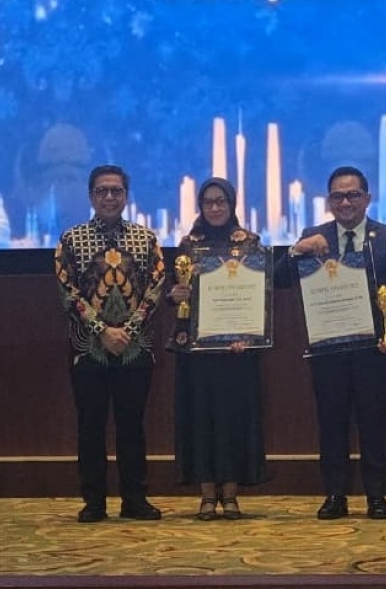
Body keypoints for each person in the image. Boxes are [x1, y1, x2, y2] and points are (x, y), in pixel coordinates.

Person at [275, 165, 386, 520]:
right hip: (328, 350)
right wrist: (295, 251)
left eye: (353, 195)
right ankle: (335, 494)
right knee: (331, 423)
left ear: (367, 199)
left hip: (376, 349)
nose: (345, 202)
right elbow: (279, 279)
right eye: (338, 196)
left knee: (375, 423)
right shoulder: (312, 236)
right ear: (329, 201)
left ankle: (376, 495)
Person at [54, 164, 165, 523]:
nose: (109, 197)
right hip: (88, 350)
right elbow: (67, 291)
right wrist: (102, 330)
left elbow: (156, 288)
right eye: (102, 191)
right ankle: (94, 502)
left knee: (132, 426)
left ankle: (135, 500)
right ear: (91, 196)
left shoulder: (146, 239)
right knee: (91, 427)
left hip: (135, 348)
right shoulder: (71, 240)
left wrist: (128, 329)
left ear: (126, 196)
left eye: (116, 191)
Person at [168, 177, 267, 520]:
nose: (214, 208)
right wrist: (175, 295)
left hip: (237, 352)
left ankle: (232, 494)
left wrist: (248, 335)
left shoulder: (250, 243)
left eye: (220, 201)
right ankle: (207, 494)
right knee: (201, 419)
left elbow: (259, 296)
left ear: (232, 204)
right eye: (208, 202)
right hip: (198, 354)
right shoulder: (188, 245)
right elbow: (175, 292)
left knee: (233, 420)